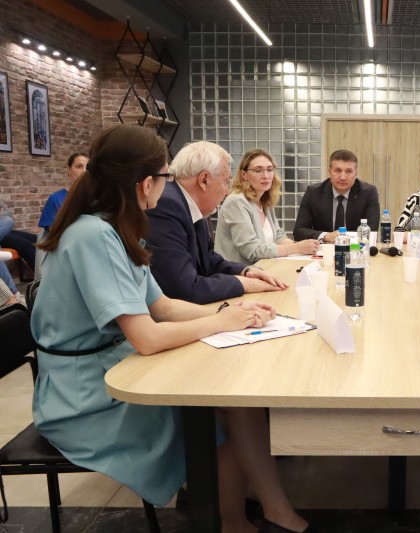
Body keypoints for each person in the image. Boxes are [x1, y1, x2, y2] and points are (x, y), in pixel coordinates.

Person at [33, 124, 314, 533]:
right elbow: (147, 337)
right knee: (228, 409)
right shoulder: (95, 235)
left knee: (235, 403)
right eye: (166, 176)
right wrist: (220, 321)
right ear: (147, 183)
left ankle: (251, 511)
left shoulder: (113, 227)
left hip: (107, 367)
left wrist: (232, 312)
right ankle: (240, 518)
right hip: (85, 396)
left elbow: (162, 306)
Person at [146, 141, 288, 305]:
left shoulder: (188, 204)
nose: (227, 191)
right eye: (226, 182)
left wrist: (245, 271)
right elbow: (183, 288)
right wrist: (241, 283)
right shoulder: (167, 205)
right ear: (204, 180)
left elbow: (208, 259)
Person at [215, 149, 319, 263]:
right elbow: (252, 251)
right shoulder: (236, 202)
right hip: (240, 272)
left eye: (269, 170)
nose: (266, 176)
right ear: (244, 175)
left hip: (264, 267)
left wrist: (305, 247)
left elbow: (278, 236)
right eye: (258, 170)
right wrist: (297, 248)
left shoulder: (264, 200)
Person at [292, 149, 380, 242]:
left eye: (349, 171)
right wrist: (326, 236)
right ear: (329, 172)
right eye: (338, 170)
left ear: (355, 174)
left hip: (355, 248)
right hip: (323, 248)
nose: (342, 177)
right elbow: (299, 231)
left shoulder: (368, 193)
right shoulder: (314, 192)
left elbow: (371, 231)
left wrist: (343, 238)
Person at [38, 152, 89, 231]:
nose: (84, 171)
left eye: (88, 167)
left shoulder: (96, 199)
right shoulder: (55, 199)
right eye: (79, 166)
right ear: (69, 170)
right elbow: (52, 233)